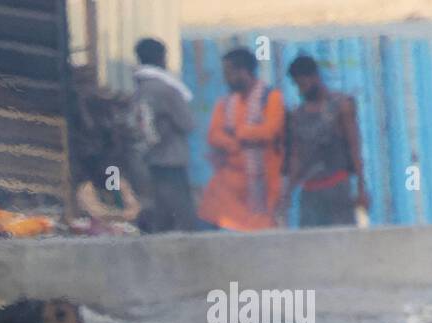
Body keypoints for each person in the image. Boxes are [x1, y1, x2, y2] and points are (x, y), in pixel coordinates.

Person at [197, 48, 286, 232]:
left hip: (262, 186)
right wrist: (233, 142)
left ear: (243, 71)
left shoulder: (272, 97)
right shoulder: (226, 102)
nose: (226, 79)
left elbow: (269, 131)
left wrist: (238, 133)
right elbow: (213, 135)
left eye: (228, 73)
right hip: (229, 189)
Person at [278, 54, 368, 227]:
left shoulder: (341, 106)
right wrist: (287, 194)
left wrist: (361, 188)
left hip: (338, 188)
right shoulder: (297, 116)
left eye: (303, 84)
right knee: (311, 247)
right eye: (297, 86)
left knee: (343, 242)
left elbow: (354, 146)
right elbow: (296, 157)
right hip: (310, 191)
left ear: (314, 77)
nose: (301, 90)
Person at [131, 37, 197, 232]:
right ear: (161, 58)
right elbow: (188, 124)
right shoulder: (167, 89)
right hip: (172, 159)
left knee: (162, 214)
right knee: (183, 218)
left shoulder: (140, 89)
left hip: (152, 159)